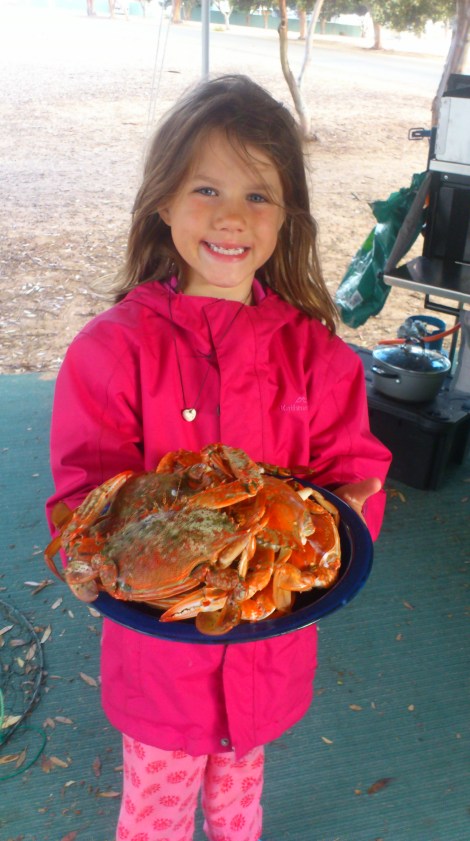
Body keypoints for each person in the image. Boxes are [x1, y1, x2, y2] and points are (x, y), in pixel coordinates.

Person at [46, 75, 392, 841]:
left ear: (285, 218)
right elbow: (83, 500)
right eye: (206, 187)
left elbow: (354, 481)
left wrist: (327, 538)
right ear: (163, 202)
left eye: (258, 195)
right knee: (157, 812)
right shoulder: (112, 352)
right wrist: (108, 548)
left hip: (270, 650)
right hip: (158, 664)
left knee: (240, 806)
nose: (232, 215)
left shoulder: (319, 357)